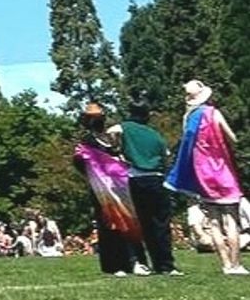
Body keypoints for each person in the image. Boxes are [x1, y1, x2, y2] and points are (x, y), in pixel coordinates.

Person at [166, 80, 246, 276]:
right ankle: (236, 264)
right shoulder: (213, 113)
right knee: (231, 218)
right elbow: (232, 138)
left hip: (202, 172)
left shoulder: (188, 118)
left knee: (214, 221)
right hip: (221, 169)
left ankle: (225, 264)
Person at [73, 106, 141, 275]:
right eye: (93, 118)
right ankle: (115, 264)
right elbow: (80, 163)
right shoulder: (86, 141)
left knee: (128, 222)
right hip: (101, 189)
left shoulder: (112, 137)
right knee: (109, 225)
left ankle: (134, 261)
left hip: (121, 187)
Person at [118, 98, 178, 276]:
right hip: (157, 179)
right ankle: (165, 264)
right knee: (160, 224)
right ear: (147, 115)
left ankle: (138, 262)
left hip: (135, 179)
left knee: (136, 223)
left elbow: (111, 133)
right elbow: (166, 156)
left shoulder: (125, 128)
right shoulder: (155, 135)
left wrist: (119, 152)